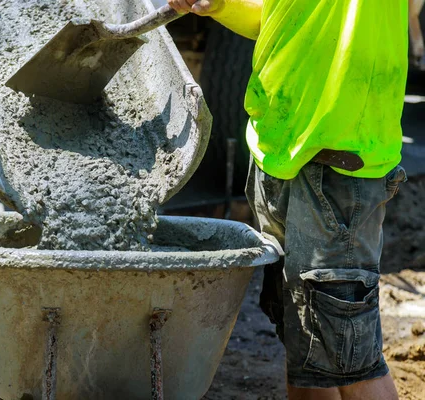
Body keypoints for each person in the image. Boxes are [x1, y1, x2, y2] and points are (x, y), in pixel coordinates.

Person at [166, 1, 407, 399]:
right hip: (276, 153)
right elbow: (273, 15)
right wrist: (221, 6)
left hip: (338, 160)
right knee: (308, 350)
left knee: (350, 361)